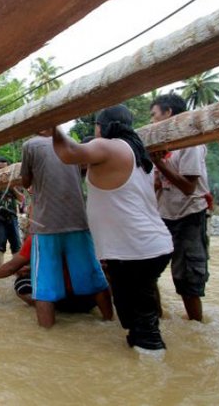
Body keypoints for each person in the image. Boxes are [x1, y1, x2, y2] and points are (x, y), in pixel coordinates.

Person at [52, 105, 173, 350]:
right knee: (133, 317)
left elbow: (67, 152)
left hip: (135, 250)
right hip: (143, 247)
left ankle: (154, 375)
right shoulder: (138, 154)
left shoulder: (110, 145)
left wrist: (52, 123)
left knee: (144, 325)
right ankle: (143, 367)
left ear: (101, 127)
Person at [20, 130, 112, 328]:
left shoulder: (30, 145)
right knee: (96, 279)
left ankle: (47, 335)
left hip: (46, 226)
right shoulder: (72, 142)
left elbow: (26, 181)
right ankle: (108, 322)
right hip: (78, 222)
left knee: (43, 288)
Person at [149, 94, 210, 322]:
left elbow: (188, 187)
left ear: (168, 114)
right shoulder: (166, 146)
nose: (153, 121)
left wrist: (159, 164)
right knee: (148, 272)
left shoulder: (190, 143)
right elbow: (158, 185)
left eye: (155, 115)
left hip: (189, 216)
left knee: (188, 280)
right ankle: (158, 319)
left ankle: (196, 327)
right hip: (164, 216)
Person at [0, 235, 98, 315]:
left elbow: (10, 268)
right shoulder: (83, 232)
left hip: (62, 301)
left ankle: (47, 311)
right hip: (90, 299)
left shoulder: (37, 237)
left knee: (21, 283)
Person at [0, 156, 24, 266]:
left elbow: (21, 199)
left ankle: (16, 269)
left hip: (12, 216)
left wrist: (11, 187)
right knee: (0, 244)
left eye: (5, 168)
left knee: (16, 244)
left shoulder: (15, 181)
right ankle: (0, 268)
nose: (2, 171)